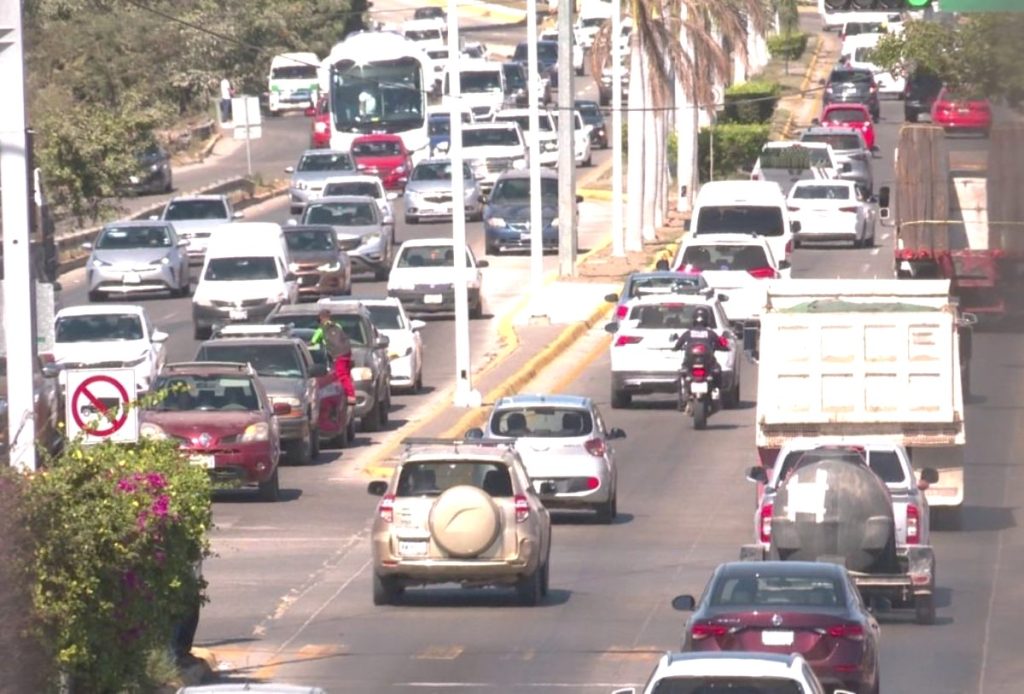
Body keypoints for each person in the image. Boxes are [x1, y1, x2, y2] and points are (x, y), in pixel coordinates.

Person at [672, 305, 728, 392]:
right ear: (707, 319)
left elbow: (678, 344)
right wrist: (724, 348)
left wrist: (675, 348)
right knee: (717, 369)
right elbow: (721, 344)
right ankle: (717, 390)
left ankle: (684, 393)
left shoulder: (688, 333)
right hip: (706, 363)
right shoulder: (711, 333)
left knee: (682, 371)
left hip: (691, 362)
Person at [310, 309, 356, 405]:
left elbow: (312, 343)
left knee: (341, 374)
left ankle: (351, 396)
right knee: (346, 374)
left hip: (337, 355)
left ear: (320, 319)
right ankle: (347, 394)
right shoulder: (337, 326)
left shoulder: (320, 330)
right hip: (347, 352)